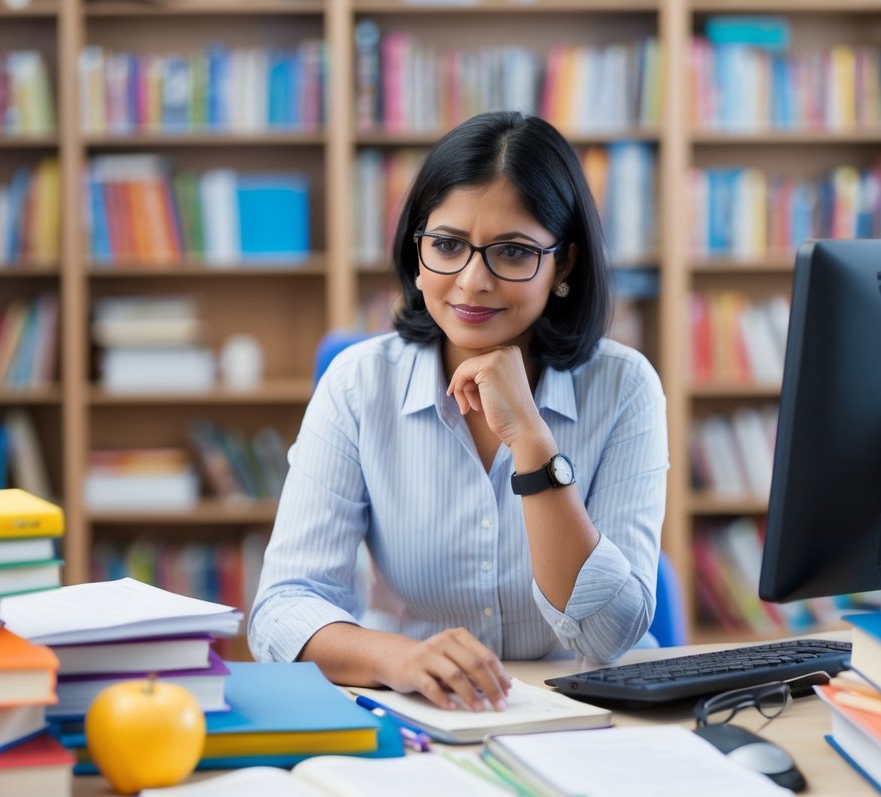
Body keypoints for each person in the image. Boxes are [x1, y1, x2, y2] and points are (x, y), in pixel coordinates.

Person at [248, 111, 668, 713]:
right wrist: (397, 658)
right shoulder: (359, 384)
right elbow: (282, 611)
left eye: (514, 252)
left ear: (564, 265)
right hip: (419, 711)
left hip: (586, 714)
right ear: (417, 253)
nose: (472, 282)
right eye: (447, 245)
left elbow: (609, 637)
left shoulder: (624, 387)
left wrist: (532, 440)